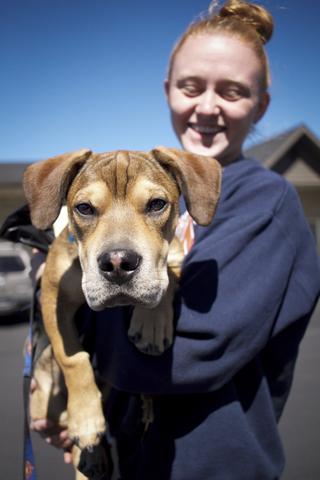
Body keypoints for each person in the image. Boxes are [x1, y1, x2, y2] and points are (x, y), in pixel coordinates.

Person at [31, 1, 320, 479]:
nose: (207, 107)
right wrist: (79, 400)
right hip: (129, 456)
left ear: (261, 104)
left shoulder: (266, 202)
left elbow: (191, 352)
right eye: (191, 87)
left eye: (232, 91)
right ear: (168, 92)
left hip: (213, 466)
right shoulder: (165, 185)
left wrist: (136, 299)